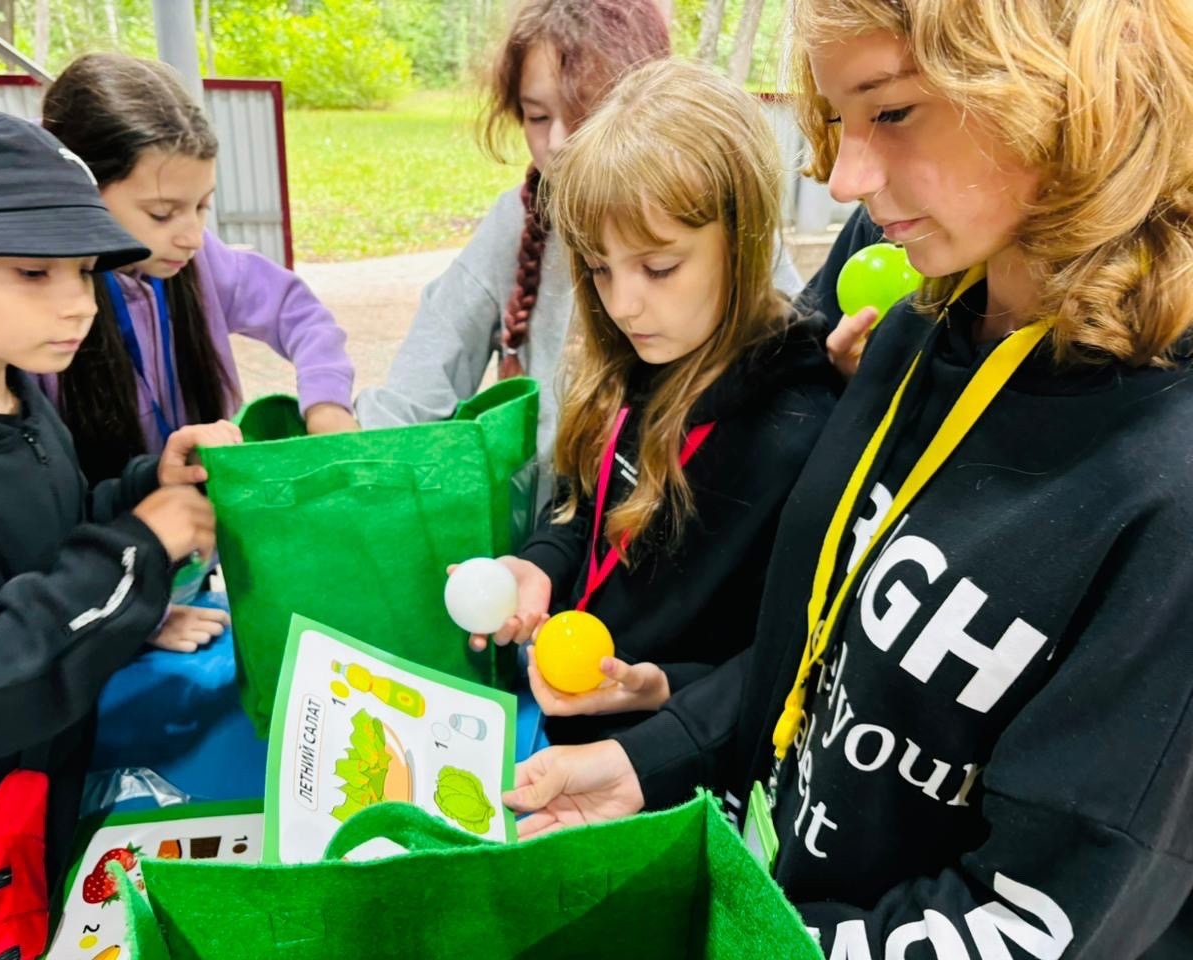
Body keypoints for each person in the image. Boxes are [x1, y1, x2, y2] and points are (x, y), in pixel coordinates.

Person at [506, 0, 1193, 955]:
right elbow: (820, 656)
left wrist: (747, 942)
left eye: (893, 110)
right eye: (839, 119)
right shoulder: (915, 333)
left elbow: (1040, 918)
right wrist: (654, 761)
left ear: (1069, 88)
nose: (845, 179)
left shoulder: (1168, 480)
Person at [0, 104, 239, 912]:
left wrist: (143, 487)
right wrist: (136, 549)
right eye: (34, 272)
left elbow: (44, 537)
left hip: (32, 821)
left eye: (85, 269)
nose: (80, 304)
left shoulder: (16, 399)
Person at [471, 59, 837, 750]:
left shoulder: (800, 435)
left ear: (745, 237)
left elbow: (786, 661)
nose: (623, 305)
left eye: (659, 267)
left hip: (668, 763)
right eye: (599, 268)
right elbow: (584, 507)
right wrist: (540, 565)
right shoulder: (642, 359)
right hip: (568, 726)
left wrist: (664, 686)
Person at [356, 0, 805, 488]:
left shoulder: (707, 218)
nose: (557, 142)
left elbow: (789, 349)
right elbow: (415, 391)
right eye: (537, 116)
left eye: (585, 112)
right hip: (552, 523)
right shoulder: (516, 222)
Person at [41, 52, 356, 652]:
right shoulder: (45, 322)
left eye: (202, 206)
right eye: (162, 213)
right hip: (102, 590)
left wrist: (327, 405)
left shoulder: (199, 261)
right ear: (80, 192)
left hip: (189, 559)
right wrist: (140, 618)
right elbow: (45, 529)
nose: (190, 234)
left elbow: (301, 314)